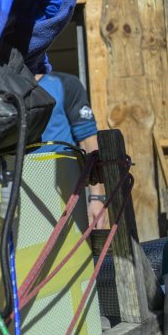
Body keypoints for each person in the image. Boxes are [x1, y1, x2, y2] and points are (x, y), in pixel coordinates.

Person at [36, 71, 108, 225]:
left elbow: (88, 140)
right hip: (20, 191)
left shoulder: (65, 83)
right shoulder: (1, 86)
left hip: (65, 190)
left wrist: (96, 198)